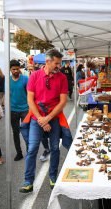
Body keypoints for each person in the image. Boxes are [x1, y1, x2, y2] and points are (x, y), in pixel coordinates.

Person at [20, 49, 72, 193]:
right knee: (32, 148)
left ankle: (53, 177)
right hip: (37, 118)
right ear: (48, 61)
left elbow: (62, 102)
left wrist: (48, 118)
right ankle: (28, 181)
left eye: (59, 63)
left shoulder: (61, 78)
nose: (58, 66)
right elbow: (30, 100)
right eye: (56, 63)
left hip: (53, 118)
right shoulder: (35, 76)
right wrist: (41, 120)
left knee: (55, 148)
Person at [9, 60, 30, 161]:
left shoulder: (25, 79)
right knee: (15, 132)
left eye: (17, 69)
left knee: (26, 132)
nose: (16, 71)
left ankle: (29, 152)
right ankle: (19, 153)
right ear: (10, 69)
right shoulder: (7, 81)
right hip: (13, 110)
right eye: (13, 69)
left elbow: (30, 95)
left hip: (25, 109)